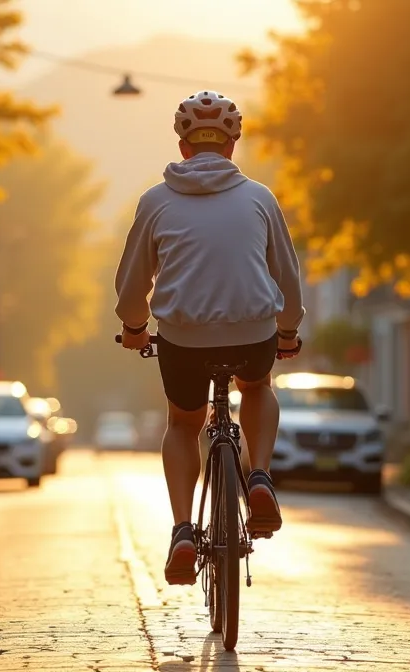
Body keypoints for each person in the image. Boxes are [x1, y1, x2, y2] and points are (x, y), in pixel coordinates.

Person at [114, 90, 306, 586]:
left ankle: (182, 531)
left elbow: (132, 283)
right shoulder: (260, 197)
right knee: (258, 387)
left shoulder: (156, 202)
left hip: (183, 339)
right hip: (252, 332)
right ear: (232, 144)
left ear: (182, 145)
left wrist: (135, 329)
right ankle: (259, 475)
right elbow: (286, 276)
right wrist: (288, 331)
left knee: (183, 423)